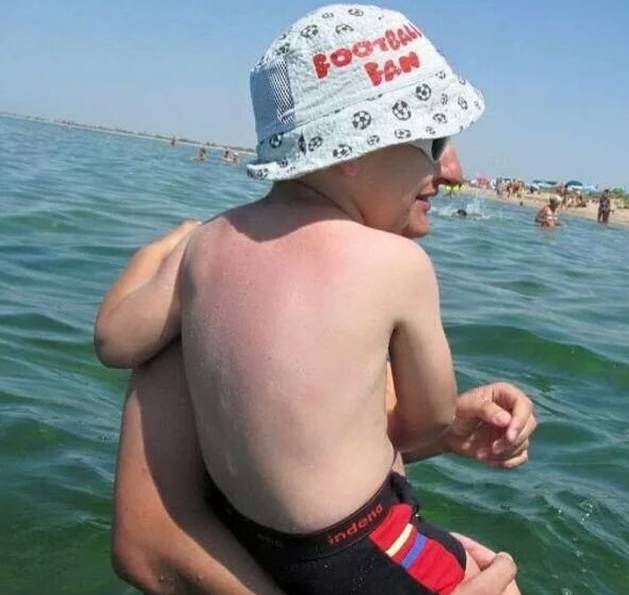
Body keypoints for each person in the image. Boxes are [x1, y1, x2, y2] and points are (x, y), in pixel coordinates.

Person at [97, 5, 531, 594]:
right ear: (355, 153)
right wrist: (436, 425)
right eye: (433, 140)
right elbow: (425, 417)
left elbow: (115, 341)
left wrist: (166, 251)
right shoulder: (398, 266)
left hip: (270, 551)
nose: (451, 169)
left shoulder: (203, 254)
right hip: (366, 543)